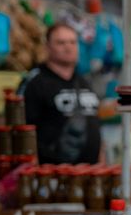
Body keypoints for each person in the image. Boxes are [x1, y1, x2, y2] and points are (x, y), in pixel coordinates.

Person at [18, 23, 101, 164]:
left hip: (89, 173)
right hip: (51, 174)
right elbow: (21, 131)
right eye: (60, 43)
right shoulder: (35, 82)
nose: (68, 47)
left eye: (73, 42)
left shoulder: (84, 82)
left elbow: (96, 124)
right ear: (47, 47)